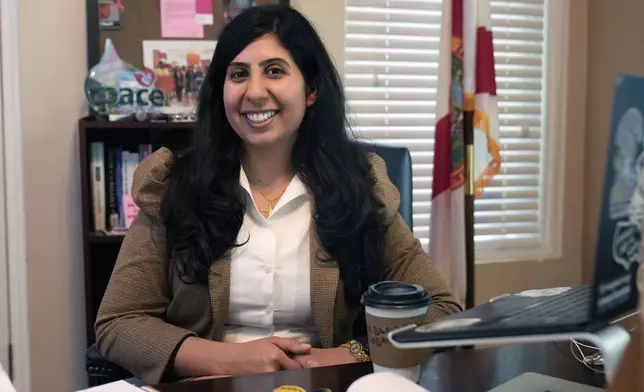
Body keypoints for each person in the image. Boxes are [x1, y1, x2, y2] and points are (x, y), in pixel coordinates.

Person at [94, 4, 462, 386]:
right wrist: (230, 360)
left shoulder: (361, 187)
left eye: (274, 71)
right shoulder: (173, 184)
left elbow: (441, 308)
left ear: (312, 89)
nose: (254, 92)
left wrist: (342, 355)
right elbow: (119, 322)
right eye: (238, 74)